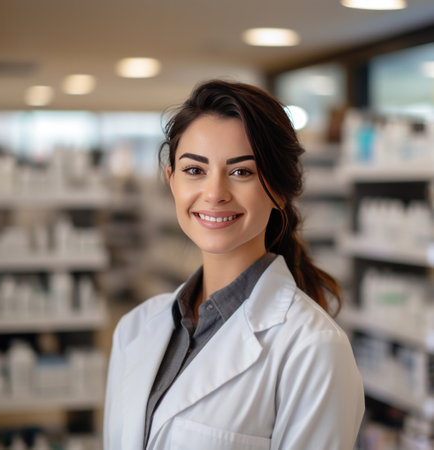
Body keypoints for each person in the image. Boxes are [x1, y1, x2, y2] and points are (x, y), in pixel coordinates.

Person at [104, 80, 364, 450]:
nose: (214, 193)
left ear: (280, 190)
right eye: (195, 170)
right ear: (172, 182)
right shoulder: (133, 329)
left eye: (242, 172)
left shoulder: (313, 348)